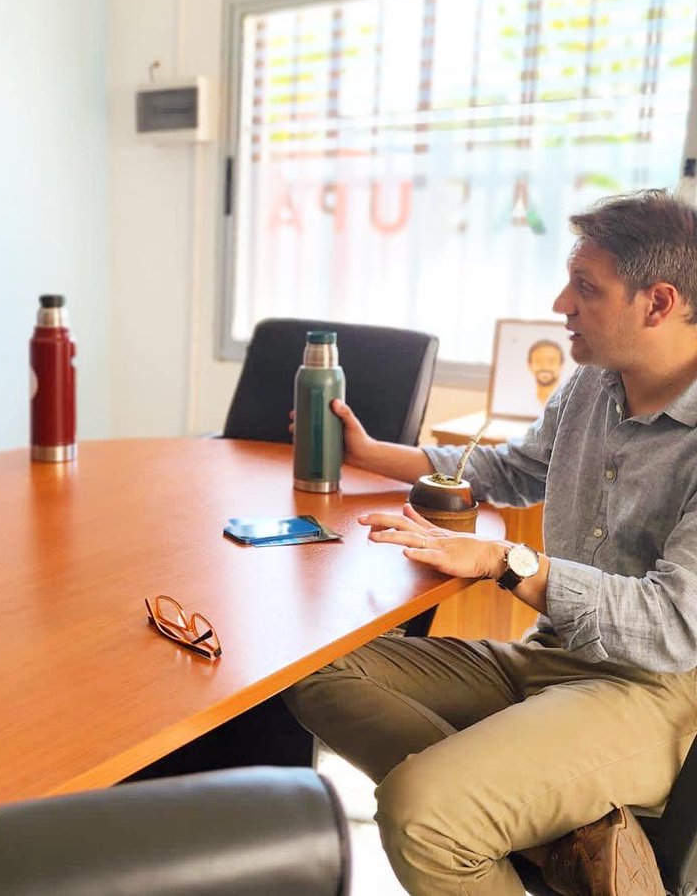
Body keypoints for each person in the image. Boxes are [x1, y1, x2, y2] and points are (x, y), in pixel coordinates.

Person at [283, 188, 697, 896]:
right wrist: (376, 452)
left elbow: (673, 627)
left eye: (585, 287)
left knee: (422, 814)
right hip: (548, 655)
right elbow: (510, 468)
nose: (561, 302)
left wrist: (508, 562)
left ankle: (494, 801)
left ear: (657, 303)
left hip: (651, 692)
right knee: (311, 667)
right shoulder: (593, 385)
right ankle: (550, 817)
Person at [526, 337, 565, 406]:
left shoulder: (571, 403)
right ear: (529, 365)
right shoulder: (520, 402)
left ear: (561, 365)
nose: (545, 366)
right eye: (539, 360)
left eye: (551, 361)